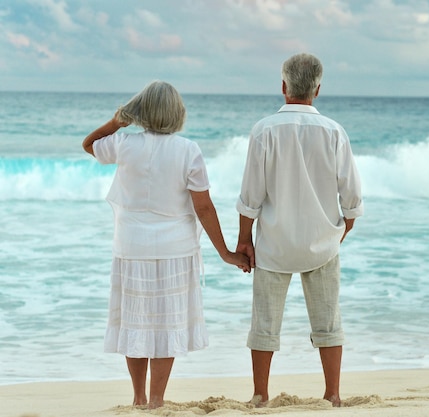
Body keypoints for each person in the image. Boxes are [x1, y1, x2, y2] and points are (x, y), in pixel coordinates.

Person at [82, 81, 250, 409]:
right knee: (165, 325)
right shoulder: (188, 150)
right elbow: (204, 207)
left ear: (141, 113)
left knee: (135, 321)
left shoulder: (124, 145)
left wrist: (116, 121)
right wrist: (226, 253)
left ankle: (138, 397)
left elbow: (90, 144)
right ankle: (156, 400)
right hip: (175, 249)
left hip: (131, 248)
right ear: (178, 113)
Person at [236, 53, 363, 407]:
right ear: (318, 90)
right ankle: (333, 394)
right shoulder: (334, 131)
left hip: (274, 243)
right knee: (328, 319)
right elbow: (351, 196)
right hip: (322, 243)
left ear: (283, 86)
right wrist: (340, 230)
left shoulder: (264, 130)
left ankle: (261, 395)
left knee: (264, 322)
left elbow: (251, 196)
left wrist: (244, 241)